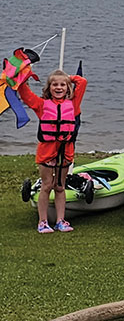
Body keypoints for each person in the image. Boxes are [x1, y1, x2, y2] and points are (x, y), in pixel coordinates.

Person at [18, 69, 87, 233]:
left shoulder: (73, 103)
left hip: (65, 151)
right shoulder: (41, 105)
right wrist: (21, 77)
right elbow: (24, 93)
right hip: (47, 151)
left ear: (68, 87)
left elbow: (82, 82)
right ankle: (42, 222)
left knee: (60, 186)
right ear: (49, 88)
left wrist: (67, 77)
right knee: (47, 185)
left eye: (63, 84)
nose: (59, 87)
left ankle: (60, 221)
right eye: (54, 84)